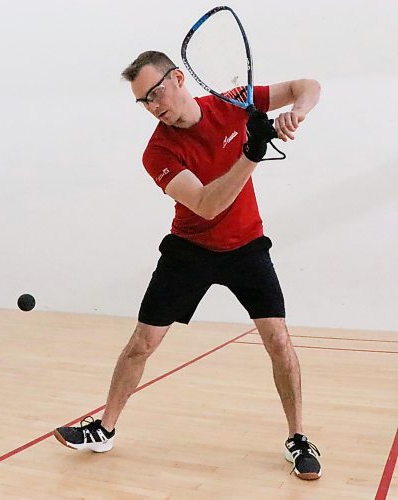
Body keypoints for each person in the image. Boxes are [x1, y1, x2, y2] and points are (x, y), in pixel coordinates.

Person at [54, 51, 322, 481]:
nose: (154, 107)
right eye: (144, 102)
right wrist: (252, 152)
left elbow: (306, 85)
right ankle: (104, 429)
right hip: (189, 250)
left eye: (156, 94)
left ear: (178, 79)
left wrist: (296, 114)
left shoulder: (234, 103)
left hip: (247, 246)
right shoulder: (157, 151)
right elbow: (207, 204)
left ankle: (298, 438)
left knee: (278, 341)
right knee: (141, 343)